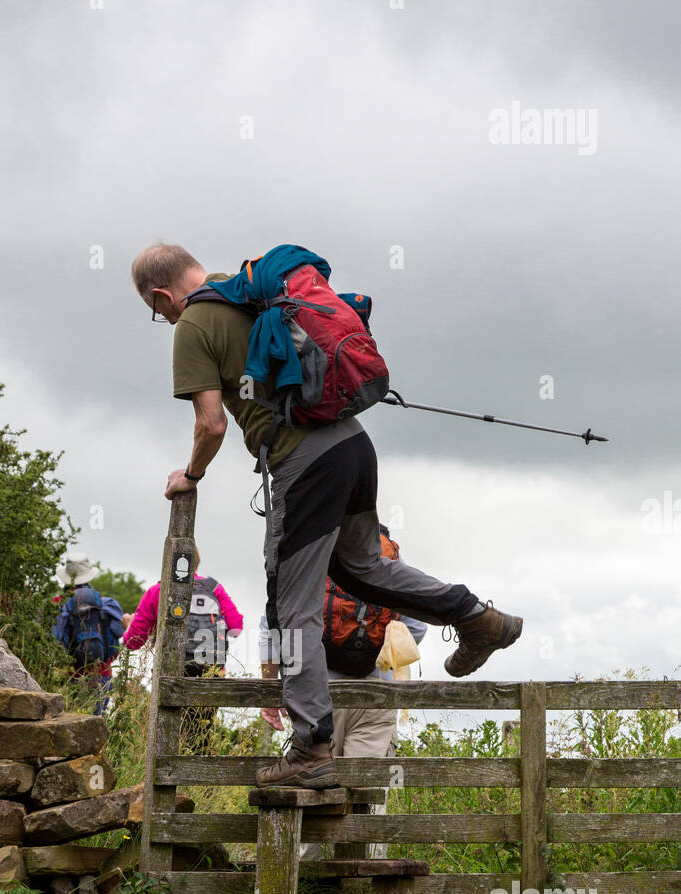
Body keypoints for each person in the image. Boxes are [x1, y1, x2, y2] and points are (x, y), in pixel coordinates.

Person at [130, 242, 523, 789]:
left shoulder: (193, 323)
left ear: (160, 294)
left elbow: (212, 423)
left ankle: (311, 748)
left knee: (293, 610)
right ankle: (476, 617)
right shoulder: (256, 290)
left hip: (304, 462)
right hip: (353, 446)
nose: (163, 317)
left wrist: (191, 474)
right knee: (364, 567)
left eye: (157, 310)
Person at [260, 524, 427, 857]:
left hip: (317, 692)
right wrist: (376, 653)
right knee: (367, 789)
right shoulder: (389, 558)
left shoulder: (309, 551)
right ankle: (362, 883)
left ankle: (310, 883)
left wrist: (270, 689)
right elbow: (417, 626)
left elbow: (272, 626)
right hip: (376, 693)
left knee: (316, 782)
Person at [122, 545, 243, 752]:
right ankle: (199, 778)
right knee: (199, 738)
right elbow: (236, 627)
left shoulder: (157, 591)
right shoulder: (214, 588)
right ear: (197, 562)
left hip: (170, 672)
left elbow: (133, 642)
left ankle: (166, 779)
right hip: (210, 672)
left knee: (166, 735)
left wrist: (129, 624)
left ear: (168, 564)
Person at [51, 552, 124, 715]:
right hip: (102, 676)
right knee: (97, 729)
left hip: (68, 677)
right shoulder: (107, 605)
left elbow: (51, 647)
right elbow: (115, 642)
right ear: (89, 577)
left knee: (67, 728)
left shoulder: (56, 606)